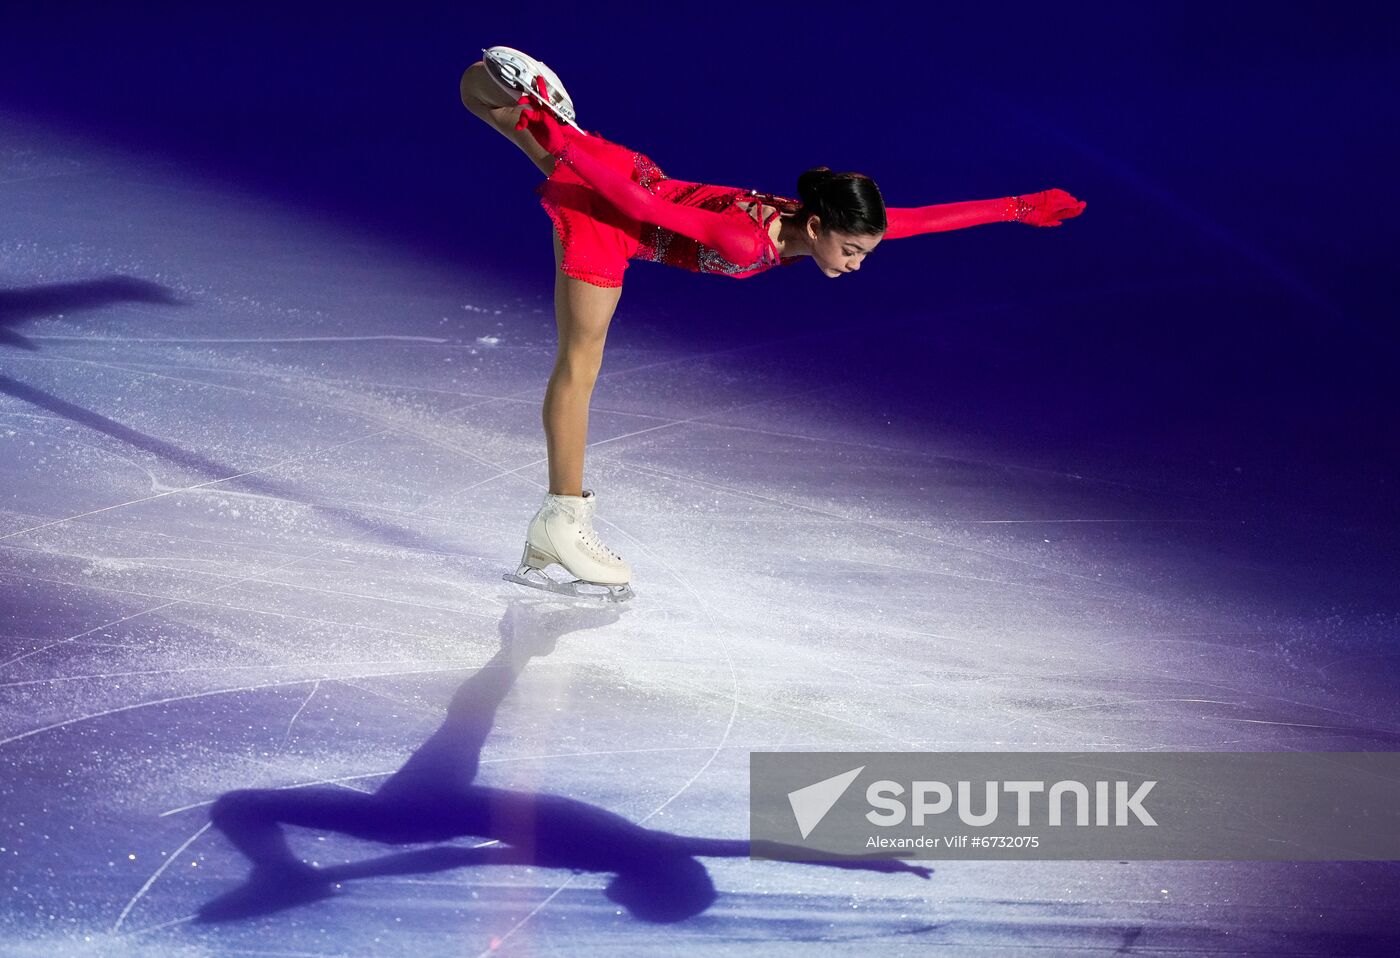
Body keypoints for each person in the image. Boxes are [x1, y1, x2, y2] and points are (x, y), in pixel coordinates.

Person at [461, 47, 1086, 601]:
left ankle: (527, 107)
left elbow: (925, 218)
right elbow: (637, 208)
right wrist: (563, 142)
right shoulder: (743, 240)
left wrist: (1018, 208)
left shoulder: (813, 214)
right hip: (613, 220)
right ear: (815, 228)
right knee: (580, 364)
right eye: (850, 251)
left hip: (630, 172)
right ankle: (561, 518)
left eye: (864, 254)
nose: (855, 264)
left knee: (480, 96)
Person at [199, 598, 931, 925]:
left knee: (468, 718)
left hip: (429, 811)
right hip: (423, 812)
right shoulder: (638, 850)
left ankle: (520, 644)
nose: (628, 911)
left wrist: (337, 874)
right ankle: (282, 872)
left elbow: (459, 864)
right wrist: (865, 863)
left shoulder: (607, 857)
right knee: (243, 806)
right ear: (655, 888)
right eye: (645, 912)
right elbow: (758, 847)